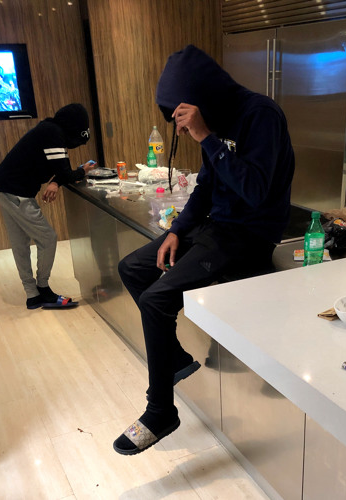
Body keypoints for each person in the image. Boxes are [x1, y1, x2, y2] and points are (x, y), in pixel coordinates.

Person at [114, 45, 295, 455]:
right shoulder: (214, 122)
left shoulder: (260, 115)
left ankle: (161, 411)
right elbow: (207, 187)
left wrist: (205, 137)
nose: (183, 132)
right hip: (215, 226)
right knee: (134, 268)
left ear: (202, 101)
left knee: (157, 300)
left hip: (250, 234)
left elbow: (254, 191)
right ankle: (176, 358)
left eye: (183, 121)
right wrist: (177, 230)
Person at [0, 103, 96, 309]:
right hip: (15, 190)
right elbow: (66, 172)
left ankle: (32, 295)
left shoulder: (50, 129)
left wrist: (56, 181)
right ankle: (43, 289)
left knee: (20, 243)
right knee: (47, 238)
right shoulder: (53, 134)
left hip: (5, 186)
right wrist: (83, 170)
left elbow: (61, 169)